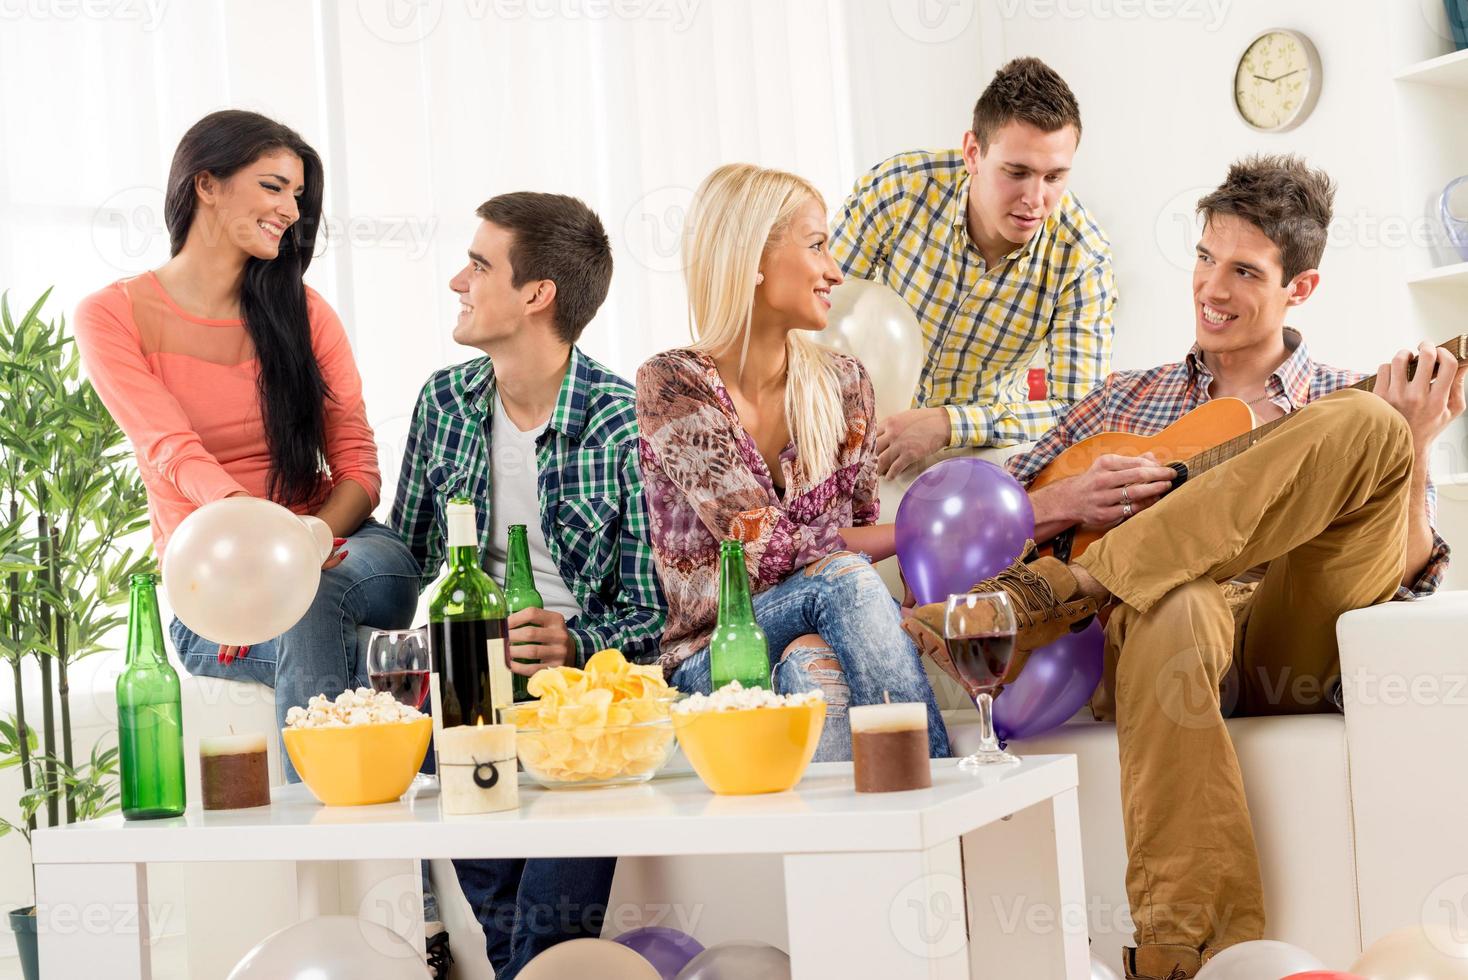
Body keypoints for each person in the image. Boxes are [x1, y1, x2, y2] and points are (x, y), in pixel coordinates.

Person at [903, 155, 1460, 980]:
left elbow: (1411, 581)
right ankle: (1190, 959)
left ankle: (1056, 595)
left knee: (1372, 426)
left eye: (1244, 271)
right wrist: (1070, 505)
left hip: (1285, 640)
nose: (1213, 287)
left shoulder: (1347, 398)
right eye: (1204, 258)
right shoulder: (1120, 399)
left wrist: (1410, 448)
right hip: (1154, 643)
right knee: (1179, 603)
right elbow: (992, 513)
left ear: (1299, 289)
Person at [75, 110, 420, 784]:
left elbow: (357, 462)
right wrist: (265, 551)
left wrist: (307, 539)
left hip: (347, 548)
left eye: (298, 195)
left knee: (306, 595)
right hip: (216, 594)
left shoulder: (306, 311)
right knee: (359, 647)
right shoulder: (111, 315)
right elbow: (170, 449)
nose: (290, 210)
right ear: (206, 184)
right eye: (272, 187)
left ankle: (325, 850)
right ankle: (409, 838)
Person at [392, 192, 664, 978]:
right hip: (474, 688)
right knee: (513, 924)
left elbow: (660, 611)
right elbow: (403, 554)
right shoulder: (444, 403)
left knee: (543, 936)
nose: (457, 282)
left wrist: (576, 639)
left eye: (479, 265)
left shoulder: (623, 422)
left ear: (537, 295)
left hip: (587, 702)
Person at [637, 162, 950, 762]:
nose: (835, 270)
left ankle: (871, 842)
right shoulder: (673, 384)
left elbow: (854, 525)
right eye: (817, 245)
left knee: (812, 659)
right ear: (753, 258)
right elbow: (768, 549)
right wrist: (920, 536)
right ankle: (934, 789)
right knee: (846, 580)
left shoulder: (845, 383)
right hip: (712, 658)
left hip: (815, 623)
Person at [831, 56, 1116, 476]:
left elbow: (1081, 415)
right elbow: (815, 311)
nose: (1035, 199)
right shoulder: (900, 189)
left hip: (978, 457)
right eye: (1016, 172)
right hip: (857, 435)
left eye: (1054, 177)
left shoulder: (1083, 258)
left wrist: (949, 424)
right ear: (973, 153)